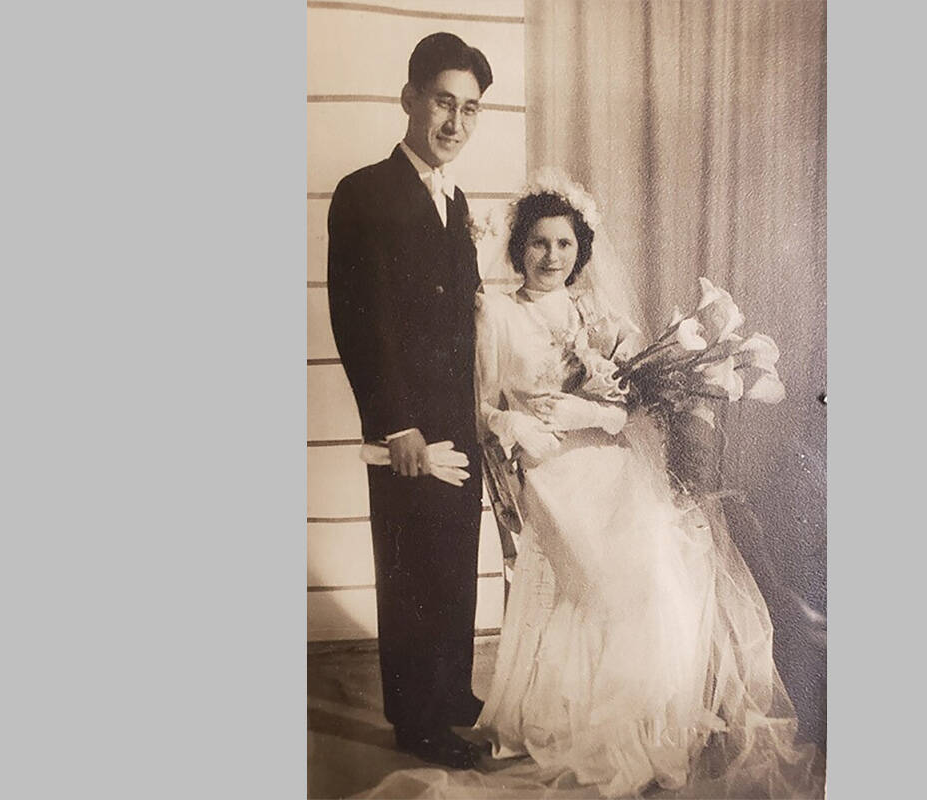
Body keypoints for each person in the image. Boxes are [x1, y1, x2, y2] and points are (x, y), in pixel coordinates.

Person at [403, 172, 818, 798]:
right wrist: (513, 421)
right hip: (547, 466)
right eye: (539, 243)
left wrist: (592, 412)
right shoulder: (497, 314)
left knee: (666, 545)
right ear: (519, 247)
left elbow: (629, 407)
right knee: (617, 564)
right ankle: (583, 715)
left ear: (580, 252)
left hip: (606, 453)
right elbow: (481, 406)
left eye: (564, 246)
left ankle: (649, 710)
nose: (551, 257)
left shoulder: (597, 316)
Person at [325, 32, 492, 770]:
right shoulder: (365, 191)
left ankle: (450, 695)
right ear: (410, 100)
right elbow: (356, 317)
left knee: (454, 557)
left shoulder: (457, 202)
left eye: (470, 109)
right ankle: (416, 720)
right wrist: (395, 424)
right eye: (444, 103)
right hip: (407, 427)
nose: (455, 122)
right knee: (409, 569)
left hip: (459, 419)